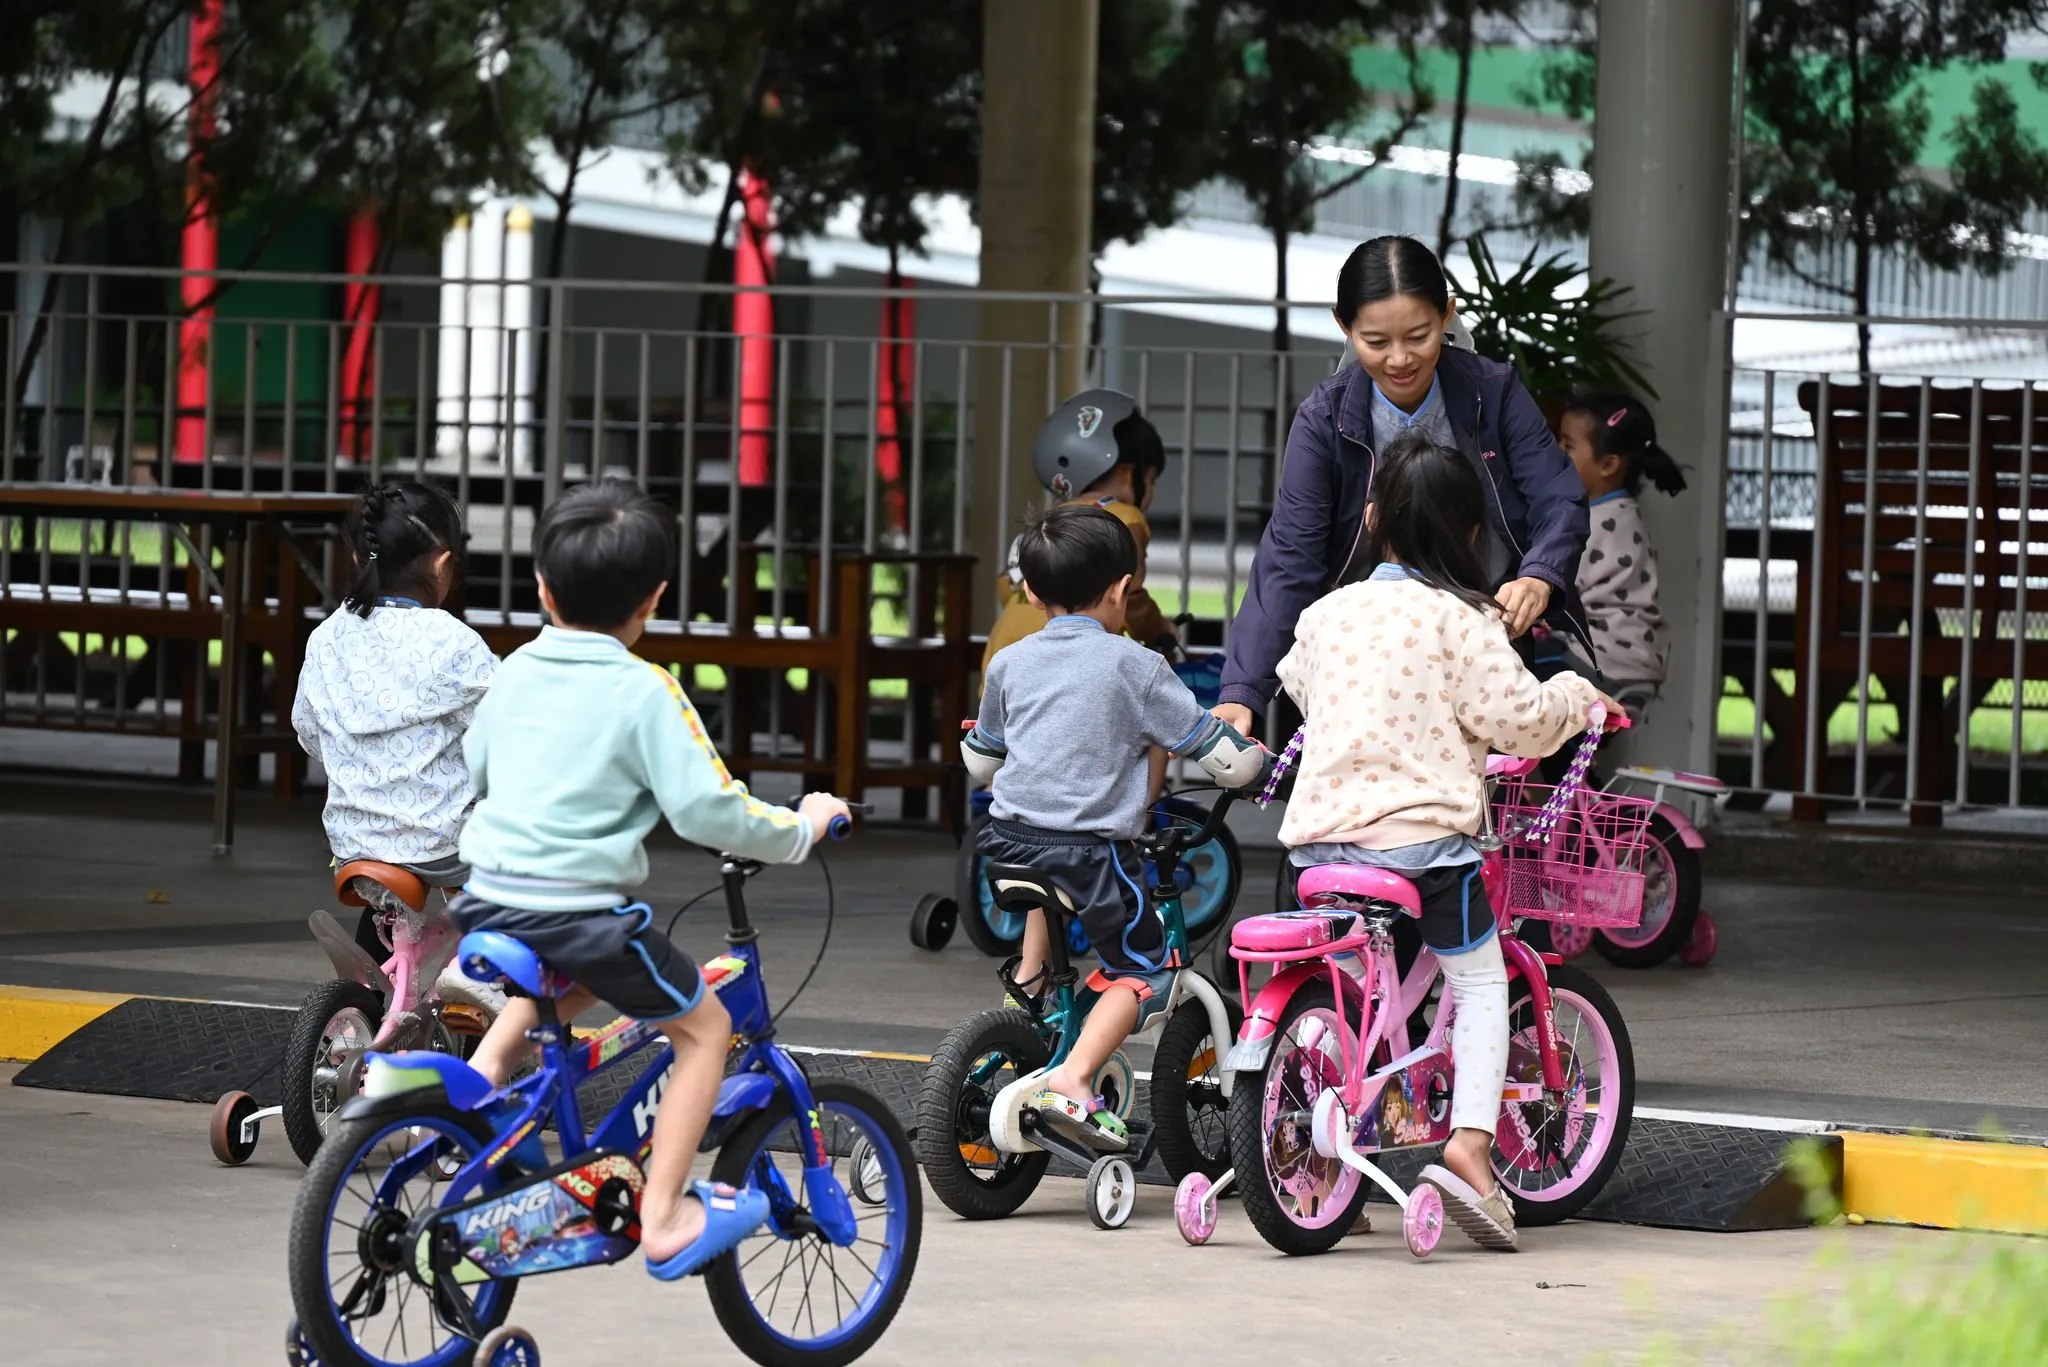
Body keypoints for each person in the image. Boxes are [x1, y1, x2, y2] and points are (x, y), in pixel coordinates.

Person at [451, 479, 849, 1280]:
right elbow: (710, 809)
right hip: (581, 913)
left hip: (488, 893)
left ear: (541, 587)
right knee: (702, 1027)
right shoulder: (646, 691)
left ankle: (467, 1104)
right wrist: (800, 828)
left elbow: (479, 763)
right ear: (655, 599)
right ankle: (664, 1214)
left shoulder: (514, 670)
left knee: (558, 987)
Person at [1275, 432, 1619, 1251]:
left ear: (1369, 518)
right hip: (1423, 848)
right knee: (1476, 980)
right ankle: (1467, 1143)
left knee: (1355, 991)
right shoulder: (1465, 621)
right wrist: (1579, 695)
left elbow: (1296, 680)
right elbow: (1524, 724)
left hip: (1322, 851)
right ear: (1472, 535)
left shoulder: (1326, 614)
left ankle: (1327, 1144)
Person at [960, 504, 1266, 1146]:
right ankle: (1074, 1077)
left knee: (1047, 869)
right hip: (1089, 853)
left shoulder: (1010, 663)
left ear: (1031, 592)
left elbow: (981, 760)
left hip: (1004, 843)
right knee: (1148, 965)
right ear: (1123, 590)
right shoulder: (1137, 667)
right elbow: (1223, 759)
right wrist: (1256, 760)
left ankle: (1031, 985)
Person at [1214, 235, 1591, 737]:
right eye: (1376, 341)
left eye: (1418, 336)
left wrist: (1539, 575)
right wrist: (1243, 692)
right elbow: (1290, 555)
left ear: (1447, 315)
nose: (1399, 360)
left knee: (1481, 801)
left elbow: (1558, 496)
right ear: (1343, 326)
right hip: (1363, 654)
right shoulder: (1323, 418)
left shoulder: (1493, 392)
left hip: (1485, 634)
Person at [291, 480, 498, 971]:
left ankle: (367, 1001)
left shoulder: (327, 636)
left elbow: (308, 731)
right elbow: (507, 725)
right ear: (444, 564)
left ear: (360, 560)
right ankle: (490, 982)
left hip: (354, 843)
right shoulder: (452, 640)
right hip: (445, 843)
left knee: (389, 911)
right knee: (519, 880)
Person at [981, 388, 1178, 673]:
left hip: (1004, 655)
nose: (1152, 493)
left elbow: (1006, 587)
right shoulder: (1125, 519)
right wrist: (1159, 629)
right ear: (1128, 475)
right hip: (1067, 666)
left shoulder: (1050, 521)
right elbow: (1131, 594)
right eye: (1152, 481)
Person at [1557, 392, 1688, 711]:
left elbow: (1558, 587)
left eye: (1567, 446)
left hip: (1601, 660)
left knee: (1520, 670)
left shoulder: (1591, 523)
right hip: (1637, 663)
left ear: (1608, 464)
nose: (1556, 453)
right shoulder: (1625, 516)